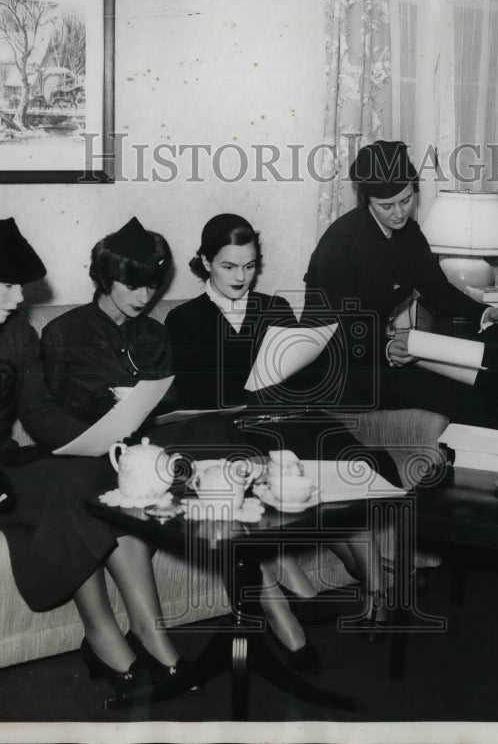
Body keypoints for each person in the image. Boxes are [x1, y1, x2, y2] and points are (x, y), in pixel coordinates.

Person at [0, 218, 184, 702]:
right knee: (70, 495)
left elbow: (39, 412)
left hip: (8, 464)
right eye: (7, 287)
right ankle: (105, 638)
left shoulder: (17, 333)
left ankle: (153, 637)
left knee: (98, 478)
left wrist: (101, 443)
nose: (18, 299)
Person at [166, 214, 403, 654]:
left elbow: (299, 379)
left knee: (346, 459)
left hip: (289, 416)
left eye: (250, 266)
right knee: (291, 462)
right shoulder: (184, 319)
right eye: (228, 267)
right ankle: (372, 580)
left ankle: (374, 585)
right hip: (236, 427)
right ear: (205, 262)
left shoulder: (274, 308)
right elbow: (195, 394)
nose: (241, 277)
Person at [41, 216, 240, 689]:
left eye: (152, 285)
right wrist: (104, 406)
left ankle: (260, 588)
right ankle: (148, 639)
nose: (144, 296)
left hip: (149, 445)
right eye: (133, 285)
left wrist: (148, 403)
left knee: (217, 430)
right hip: (89, 452)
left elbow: (169, 398)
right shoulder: (63, 333)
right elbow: (46, 413)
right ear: (104, 278)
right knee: (116, 475)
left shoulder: (152, 333)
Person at [302, 140, 498, 428]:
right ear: (366, 198)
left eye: (406, 200)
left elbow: (437, 290)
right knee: (458, 398)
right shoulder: (341, 244)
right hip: (338, 368)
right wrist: (385, 348)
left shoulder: (408, 233)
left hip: (380, 355)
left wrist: (483, 312)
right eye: (386, 206)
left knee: (497, 372)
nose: (399, 213)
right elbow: (339, 325)